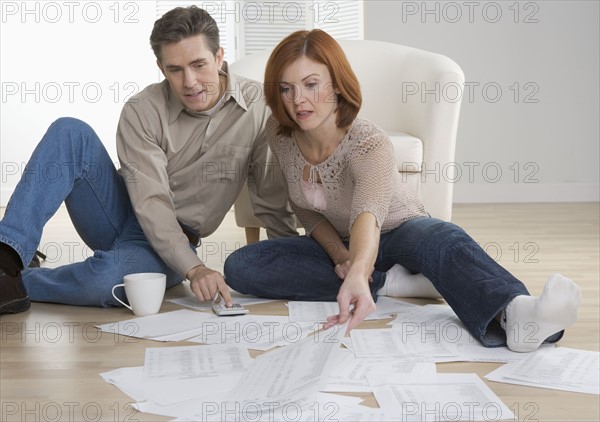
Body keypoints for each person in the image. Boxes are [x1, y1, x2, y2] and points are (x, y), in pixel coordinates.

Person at [223, 29, 582, 352]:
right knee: (243, 264)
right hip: (344, 244)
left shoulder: (369, 143)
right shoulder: (280, 133)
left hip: (399, 231)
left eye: (311, 84)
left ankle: (518, 315)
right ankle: (396, 283)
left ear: (335, 84)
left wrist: (358, 269)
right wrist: (341, 257)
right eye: (286, 88)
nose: (298, 100)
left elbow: (368, 214)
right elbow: (306, 211)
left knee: (442, 237)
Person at [0, 6, 296, 315]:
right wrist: (195, 271)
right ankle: (6, 257)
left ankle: (18, 281)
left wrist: (291, 261)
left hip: (173, 239)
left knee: (108, 283)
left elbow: (270, 197)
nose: (190, 82)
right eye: (175, 69)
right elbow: (151, 201)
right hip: (116, 212)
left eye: (199, 64)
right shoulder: (142, 109)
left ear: (219, 56)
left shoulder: (261, 108)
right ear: (161, 66)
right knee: (69, 131)